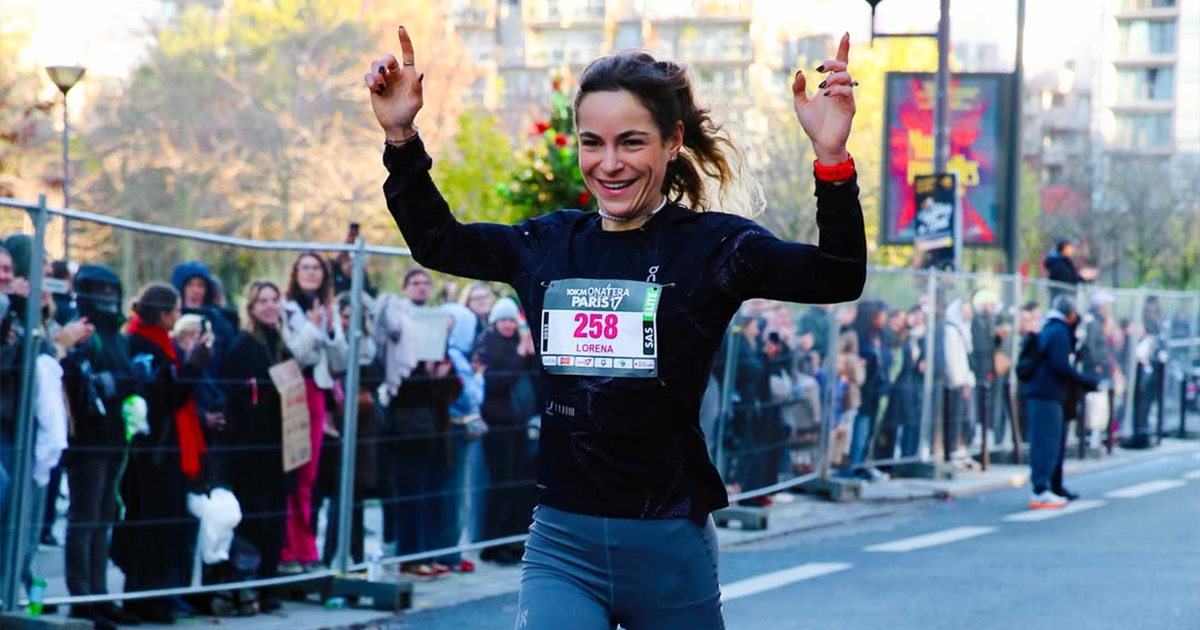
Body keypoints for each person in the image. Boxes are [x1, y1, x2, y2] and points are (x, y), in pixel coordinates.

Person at [367, 27, 864, 628]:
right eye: (592, 143)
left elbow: (837, 276)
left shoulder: (715, 248)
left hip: (669, 548)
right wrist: (400, 135)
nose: (609, 164)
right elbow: (437, 241)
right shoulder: (546, 246)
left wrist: (832, 159)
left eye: (631, 142)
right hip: (562, 549)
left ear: (672, 140)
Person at [113, 283, 210, 623]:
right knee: (149, 526)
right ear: (163, 313)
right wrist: (194, 366)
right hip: (152, 451)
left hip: (164, 450)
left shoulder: (160, 345)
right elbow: (165, 397)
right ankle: (143, 597)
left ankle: (158, 596)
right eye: (176, 310)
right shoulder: (144, 345)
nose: (179, 316)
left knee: (163, 526)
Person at [58, 265, 142, 629]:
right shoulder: (81, 333)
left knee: (103, 518)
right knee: (85, 518)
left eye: (112, 292)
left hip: (112, 439)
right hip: (86, 443)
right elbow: (78, 382)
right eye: (101, 292)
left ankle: (98, 593)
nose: (108, 299)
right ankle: (82, 597)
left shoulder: (116, 337)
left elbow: (121, 379)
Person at [220, 280, 295, 613]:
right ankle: (249, 587)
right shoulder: (243, 347)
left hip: (281, 448)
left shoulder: (281, 345)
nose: (268, 306)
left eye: (273, 300)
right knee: (255, 519)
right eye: (262, 301)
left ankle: (269, 584)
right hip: (251, 449)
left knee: (277, 520)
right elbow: (237, 400)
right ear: (251, 307)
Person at [279, 252, 348, 572]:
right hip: (294, 392)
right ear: (295, 273)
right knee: (293, 474)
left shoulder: (327, 309)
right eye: (304, 267)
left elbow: (341, 361)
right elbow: (293, 355)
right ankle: (291, 551)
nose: (310, 273)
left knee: (309, 478)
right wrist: (314, 329)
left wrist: (329, 329)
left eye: (316, 268)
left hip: (318, 395)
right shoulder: (284, 308)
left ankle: (306, 550)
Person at [475, 297, 540, 563]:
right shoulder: (488, 346)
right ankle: (494, 543)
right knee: (500, 485)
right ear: (494, 322)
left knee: (517, 486)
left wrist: (529, 355)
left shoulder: (517, 346)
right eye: (503, 320)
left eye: (512, 320)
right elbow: (495, 385)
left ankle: (512, 541)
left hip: (519, 424)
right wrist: (521, 356)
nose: (508, 325)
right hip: (498, 426)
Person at [1023, 295, 1100, 508]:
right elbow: (1060, 365)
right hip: (1046, 393)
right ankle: (1041, 489)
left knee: (1052, 441)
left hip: (1046, 393)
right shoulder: (1058, 331)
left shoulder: (1051, 328)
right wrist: (1085, 381)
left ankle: (1052, 486)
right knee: (1046, 442)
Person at [942, 298, 976, 465]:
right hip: (956, 385)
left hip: (964, 382)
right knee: (955, 419)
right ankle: (952, 452)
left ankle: (960, 451)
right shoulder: (951, 330)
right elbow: (953, 360)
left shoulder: (964, 330)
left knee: (966, 419)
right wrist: (959, 382)